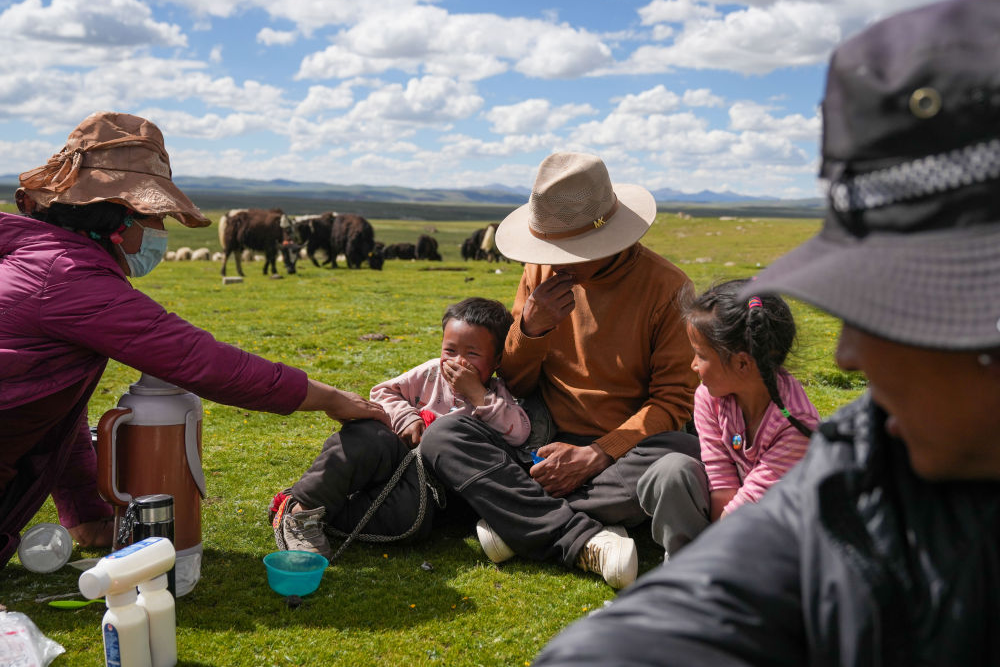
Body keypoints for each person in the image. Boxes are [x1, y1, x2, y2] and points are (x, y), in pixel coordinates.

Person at [533, 0, 1000, 666]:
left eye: (896, 307)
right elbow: (725, 584)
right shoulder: (869, 459)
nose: (849, 353)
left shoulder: (823, 434)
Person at [0, 111, 388, 569]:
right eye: (155, 217)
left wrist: (85, 516)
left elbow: (59, 413)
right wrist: (330, 399)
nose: (160, 233)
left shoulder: (44, 259)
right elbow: (202, 362)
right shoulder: (68, 276)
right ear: (119, 219)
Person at [419, 152, 700, 589]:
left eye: (569, 250)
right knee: (444, 435)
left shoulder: (667, 288)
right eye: (549, 248)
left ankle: (517, 518)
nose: (555, 260)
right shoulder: (540, 269)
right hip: (535, 441)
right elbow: (514, 381)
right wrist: (530, 330)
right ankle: (580, 536)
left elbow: (673, 402)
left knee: (684, 454)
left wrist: (597, 454)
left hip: (623, 452)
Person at [270, 297, 530, 558]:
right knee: (367, 436)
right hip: (395, 456)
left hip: (429, 491)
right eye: (450, 350)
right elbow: (382, 392)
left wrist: (476, 394)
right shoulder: (431, 373)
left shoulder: (498, 395)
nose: (458, 362)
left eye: (472, 354)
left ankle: (317, 517)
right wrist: (407, 418)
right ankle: (304, 508)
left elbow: (518, 433)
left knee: (409, 519)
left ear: (497, 360)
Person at [637, 279, 819, 559]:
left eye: (700, 355)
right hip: (732, 519)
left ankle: (711, 570)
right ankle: (687, 564)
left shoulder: (796, 424)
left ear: (742, 363)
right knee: (672, 471)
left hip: (779, 529)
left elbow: (750, 503)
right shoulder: (710, 397)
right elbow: (720, 480)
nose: (693, 365)